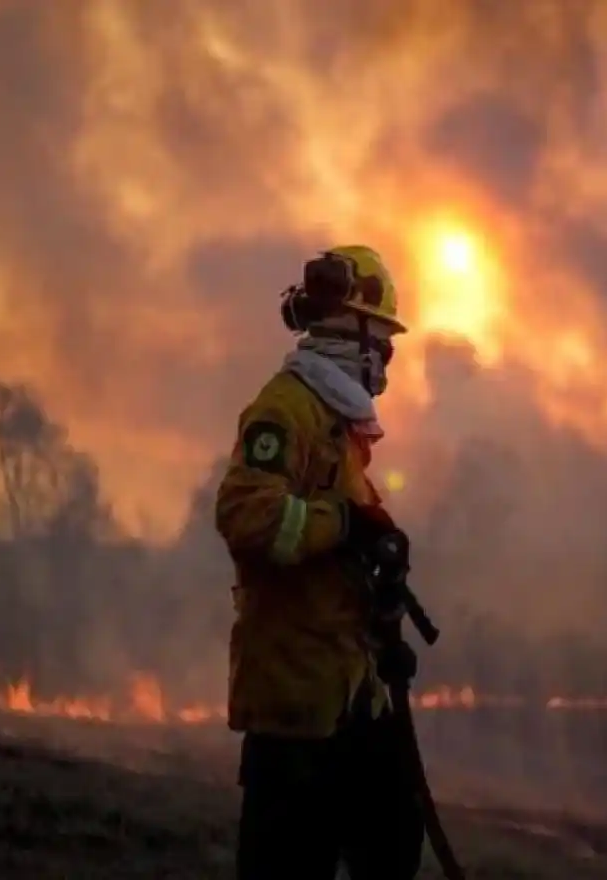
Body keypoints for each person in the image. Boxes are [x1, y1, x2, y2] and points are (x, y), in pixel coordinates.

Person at [214, 245, 424, 879]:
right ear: (352, 331)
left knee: (392, 845)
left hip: (350, 697)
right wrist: (345, 522)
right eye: (382, 343)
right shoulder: (286, 410)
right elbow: (248, 518)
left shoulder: (337, 422)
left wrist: (384, 623)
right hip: (295, 710)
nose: (386, 360)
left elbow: (336, 559)